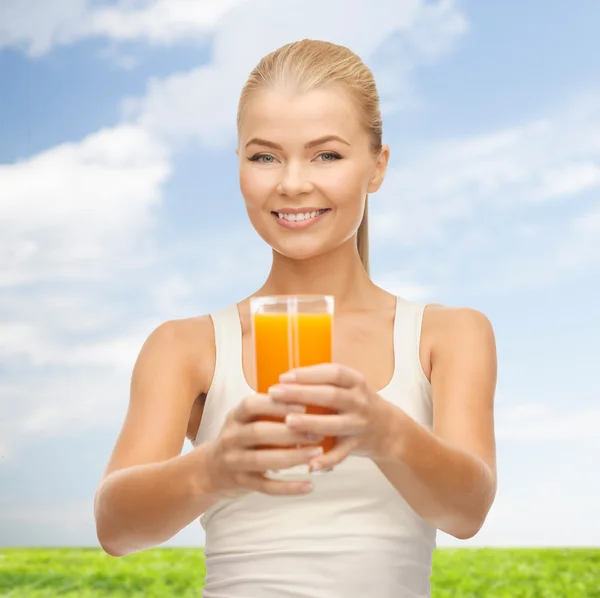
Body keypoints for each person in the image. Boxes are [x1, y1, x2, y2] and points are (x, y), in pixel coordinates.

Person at [93, 39, 498, 598]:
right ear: (238, 165)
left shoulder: (448, 335)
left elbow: (467, 511)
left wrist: (386, 432)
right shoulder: (186, 346)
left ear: (377, 167)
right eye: (264, 156)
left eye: (326, 155)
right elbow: (115, 527)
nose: (292, 183)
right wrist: (210, 469)